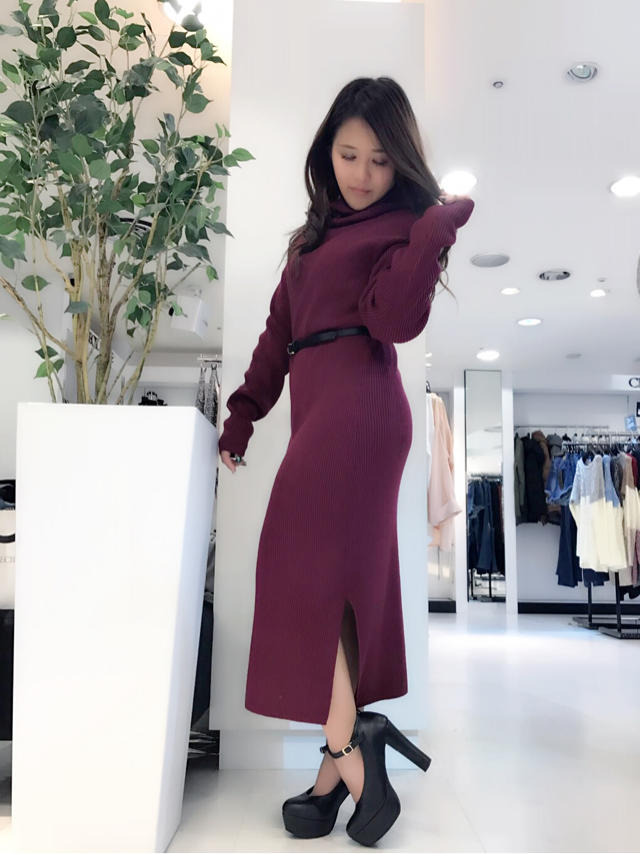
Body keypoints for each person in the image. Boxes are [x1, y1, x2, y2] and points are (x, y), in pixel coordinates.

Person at [218, 76, 475, 845]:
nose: (362, 173)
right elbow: (278, 335)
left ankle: (349, 754)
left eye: (380, 160)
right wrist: (243, 413)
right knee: (333, 589)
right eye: (348, 154)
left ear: (402, 164)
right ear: (326, 153)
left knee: (300, 574)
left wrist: (432, 233)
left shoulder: (400, 227)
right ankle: (335, 772)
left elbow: (393, 321)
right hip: (319, 407)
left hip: (361, 407)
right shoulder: (312, 239)